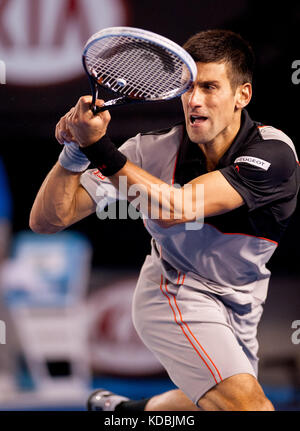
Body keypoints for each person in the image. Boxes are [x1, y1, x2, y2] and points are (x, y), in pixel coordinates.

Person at [29, 29, 300, 411]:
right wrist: (74, 153)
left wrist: (97, 147)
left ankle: (123, 412)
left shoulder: (273, 154)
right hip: (173, 287)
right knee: (249, 407)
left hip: (242, 297)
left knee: (214, 403)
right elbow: (47, 220)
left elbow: (180, 207)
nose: (195, 100)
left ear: (243, 95)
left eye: (210, 87)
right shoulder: (148, 150)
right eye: (189, 88)